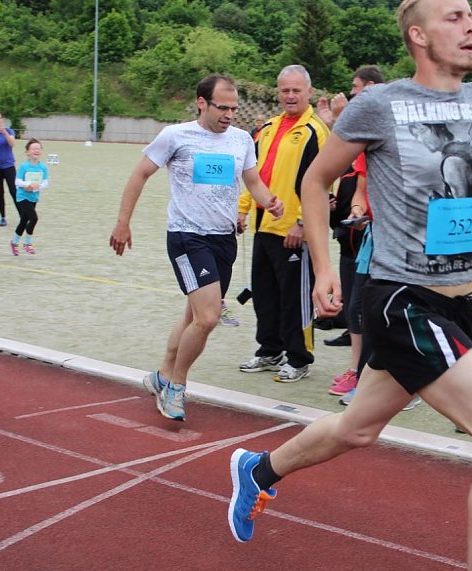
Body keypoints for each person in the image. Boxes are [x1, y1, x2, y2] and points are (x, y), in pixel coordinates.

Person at [228, 2, 472, 569]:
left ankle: (258, 470)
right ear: (418, 35)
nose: (471, 25)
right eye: (454, 16)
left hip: (460, 301)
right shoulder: (380, 105)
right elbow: (316, 180)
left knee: (357, 429)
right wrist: (326, 268)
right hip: (402, 300)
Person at [110, 74, 283, 422]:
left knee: (193, 315)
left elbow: (252, 181)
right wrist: (123, 222)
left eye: (234, 108)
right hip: (188, 237)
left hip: (224, 239)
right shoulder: (176, 135)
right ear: (201, 103)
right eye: (222, 107)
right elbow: (140, 174)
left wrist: (269, 202)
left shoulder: (241, 141)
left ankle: (161, 376)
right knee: (207, 316)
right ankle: (176, 385)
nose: (230, 115)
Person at [237, 65, 329, 383]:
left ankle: (298, 357)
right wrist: (243, 209)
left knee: (295, 300)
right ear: (278, 92)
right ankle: (269, 350)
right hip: (264, 228)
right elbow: (255, 175)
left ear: (309, 93)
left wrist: (303, 223)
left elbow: (324, 183)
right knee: (265, 295)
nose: (290, 96)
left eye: (296, 90)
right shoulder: (267, 128)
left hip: (294, 232)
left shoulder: (316, 131)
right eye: (285, 90)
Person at [324, 65, 386, 396]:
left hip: (400, 241)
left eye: (355, 89)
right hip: (369, 238)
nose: (350, 93)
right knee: (359, 306)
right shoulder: (365, 142)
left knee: (387, 310)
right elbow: (360, 187)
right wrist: (359, 210)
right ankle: (359, 371)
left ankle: (388, 381)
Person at [11, 138, 49, 255]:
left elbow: (45, 183)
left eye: (38, 148)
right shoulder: (24, 166)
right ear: (27, 152)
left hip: (34, 197)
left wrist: (37, 187)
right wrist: (27, 185)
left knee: (24, 221)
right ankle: (27, 243)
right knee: (34, 218)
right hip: (22, 197)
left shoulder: (43, 168)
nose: (36, 151)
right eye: (33, 149)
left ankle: (14, 242)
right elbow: (17, 182)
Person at [0, 110, 17, 227]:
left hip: (9, 166)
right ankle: (3, 217)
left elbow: (12, 144)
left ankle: (22, 214)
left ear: (2, 119)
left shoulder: (9, 131)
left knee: (14, 191)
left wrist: (4, 132)